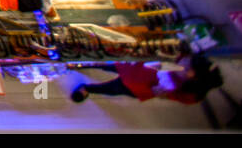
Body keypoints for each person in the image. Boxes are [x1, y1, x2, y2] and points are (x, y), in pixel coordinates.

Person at [71, 54, 223, 105]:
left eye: (187, 63)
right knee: (107, 65)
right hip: (134, 67)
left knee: (112, 88)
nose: (183, 60)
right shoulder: (188, 61)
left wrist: (162, 94)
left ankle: (87, 88)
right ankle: (76, 64)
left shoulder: (191, 93)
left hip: (137, 85)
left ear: (191, 75)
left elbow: (169, 95)